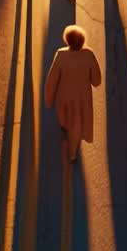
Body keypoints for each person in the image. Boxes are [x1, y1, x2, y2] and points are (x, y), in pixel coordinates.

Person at [43, 24, 101, 163]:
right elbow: (97, 80)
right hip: (81, 100)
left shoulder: (61, 54)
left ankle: (68, 140)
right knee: (77, 126)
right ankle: (73, 154)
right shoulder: (89, 55)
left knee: (67, 122)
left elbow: (52, 79)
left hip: (64, 99)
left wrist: (49, 99)